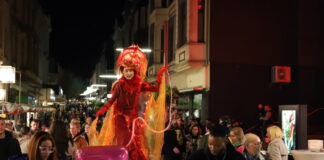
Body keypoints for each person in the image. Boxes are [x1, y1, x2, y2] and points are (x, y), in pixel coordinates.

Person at [92, 45, 169, 160]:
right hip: (120, 117)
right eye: (126, 71)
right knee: (126, 141)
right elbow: (112, 100)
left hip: (133, 117)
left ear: (135, 71)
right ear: (123, 71)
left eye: (130, 71)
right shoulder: (119, 85)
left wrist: (159, 75)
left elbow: (156, 88)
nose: (128, 73)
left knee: (136, 142)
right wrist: (103, 109)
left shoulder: (139, 84)